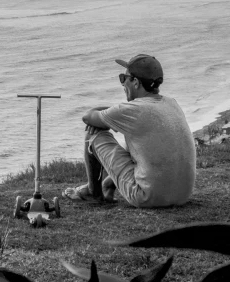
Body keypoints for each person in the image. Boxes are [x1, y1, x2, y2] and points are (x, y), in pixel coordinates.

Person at [64, 54, 196, 207]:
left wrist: (112, 113)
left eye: (123, 78)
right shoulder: (172, 103)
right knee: (139, 143)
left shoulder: (133, 110)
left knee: (93, 134)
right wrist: (116, 114)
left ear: (135, 82)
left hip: (146, 197)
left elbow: (88, 118)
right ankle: (108, 186)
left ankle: (93, 193)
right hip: (182, 195)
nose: (122, 83)